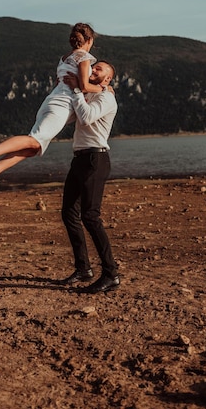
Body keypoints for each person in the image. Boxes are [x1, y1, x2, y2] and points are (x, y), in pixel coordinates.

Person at [0, 23, 105, 200]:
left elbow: (62, 83)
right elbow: (83, 85)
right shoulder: (84, 57)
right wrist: (103, 89)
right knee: (34, 140)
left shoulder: (64, 58)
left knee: (32, 148)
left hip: (52, 101)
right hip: (61, 105)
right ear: (90, 40)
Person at [60, 60, 120, 294]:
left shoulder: (107, 98)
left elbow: (85, 118)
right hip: (80, 159)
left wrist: (77, 89)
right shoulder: (92, 95)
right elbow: (72, 116)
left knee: (91, 216)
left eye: (99, 69)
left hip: (96, 160)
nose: (93, 69)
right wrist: (72, 89)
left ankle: (111, 274)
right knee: (68, 213)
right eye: (93, 66)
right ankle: (83, 269)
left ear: (107, 80)